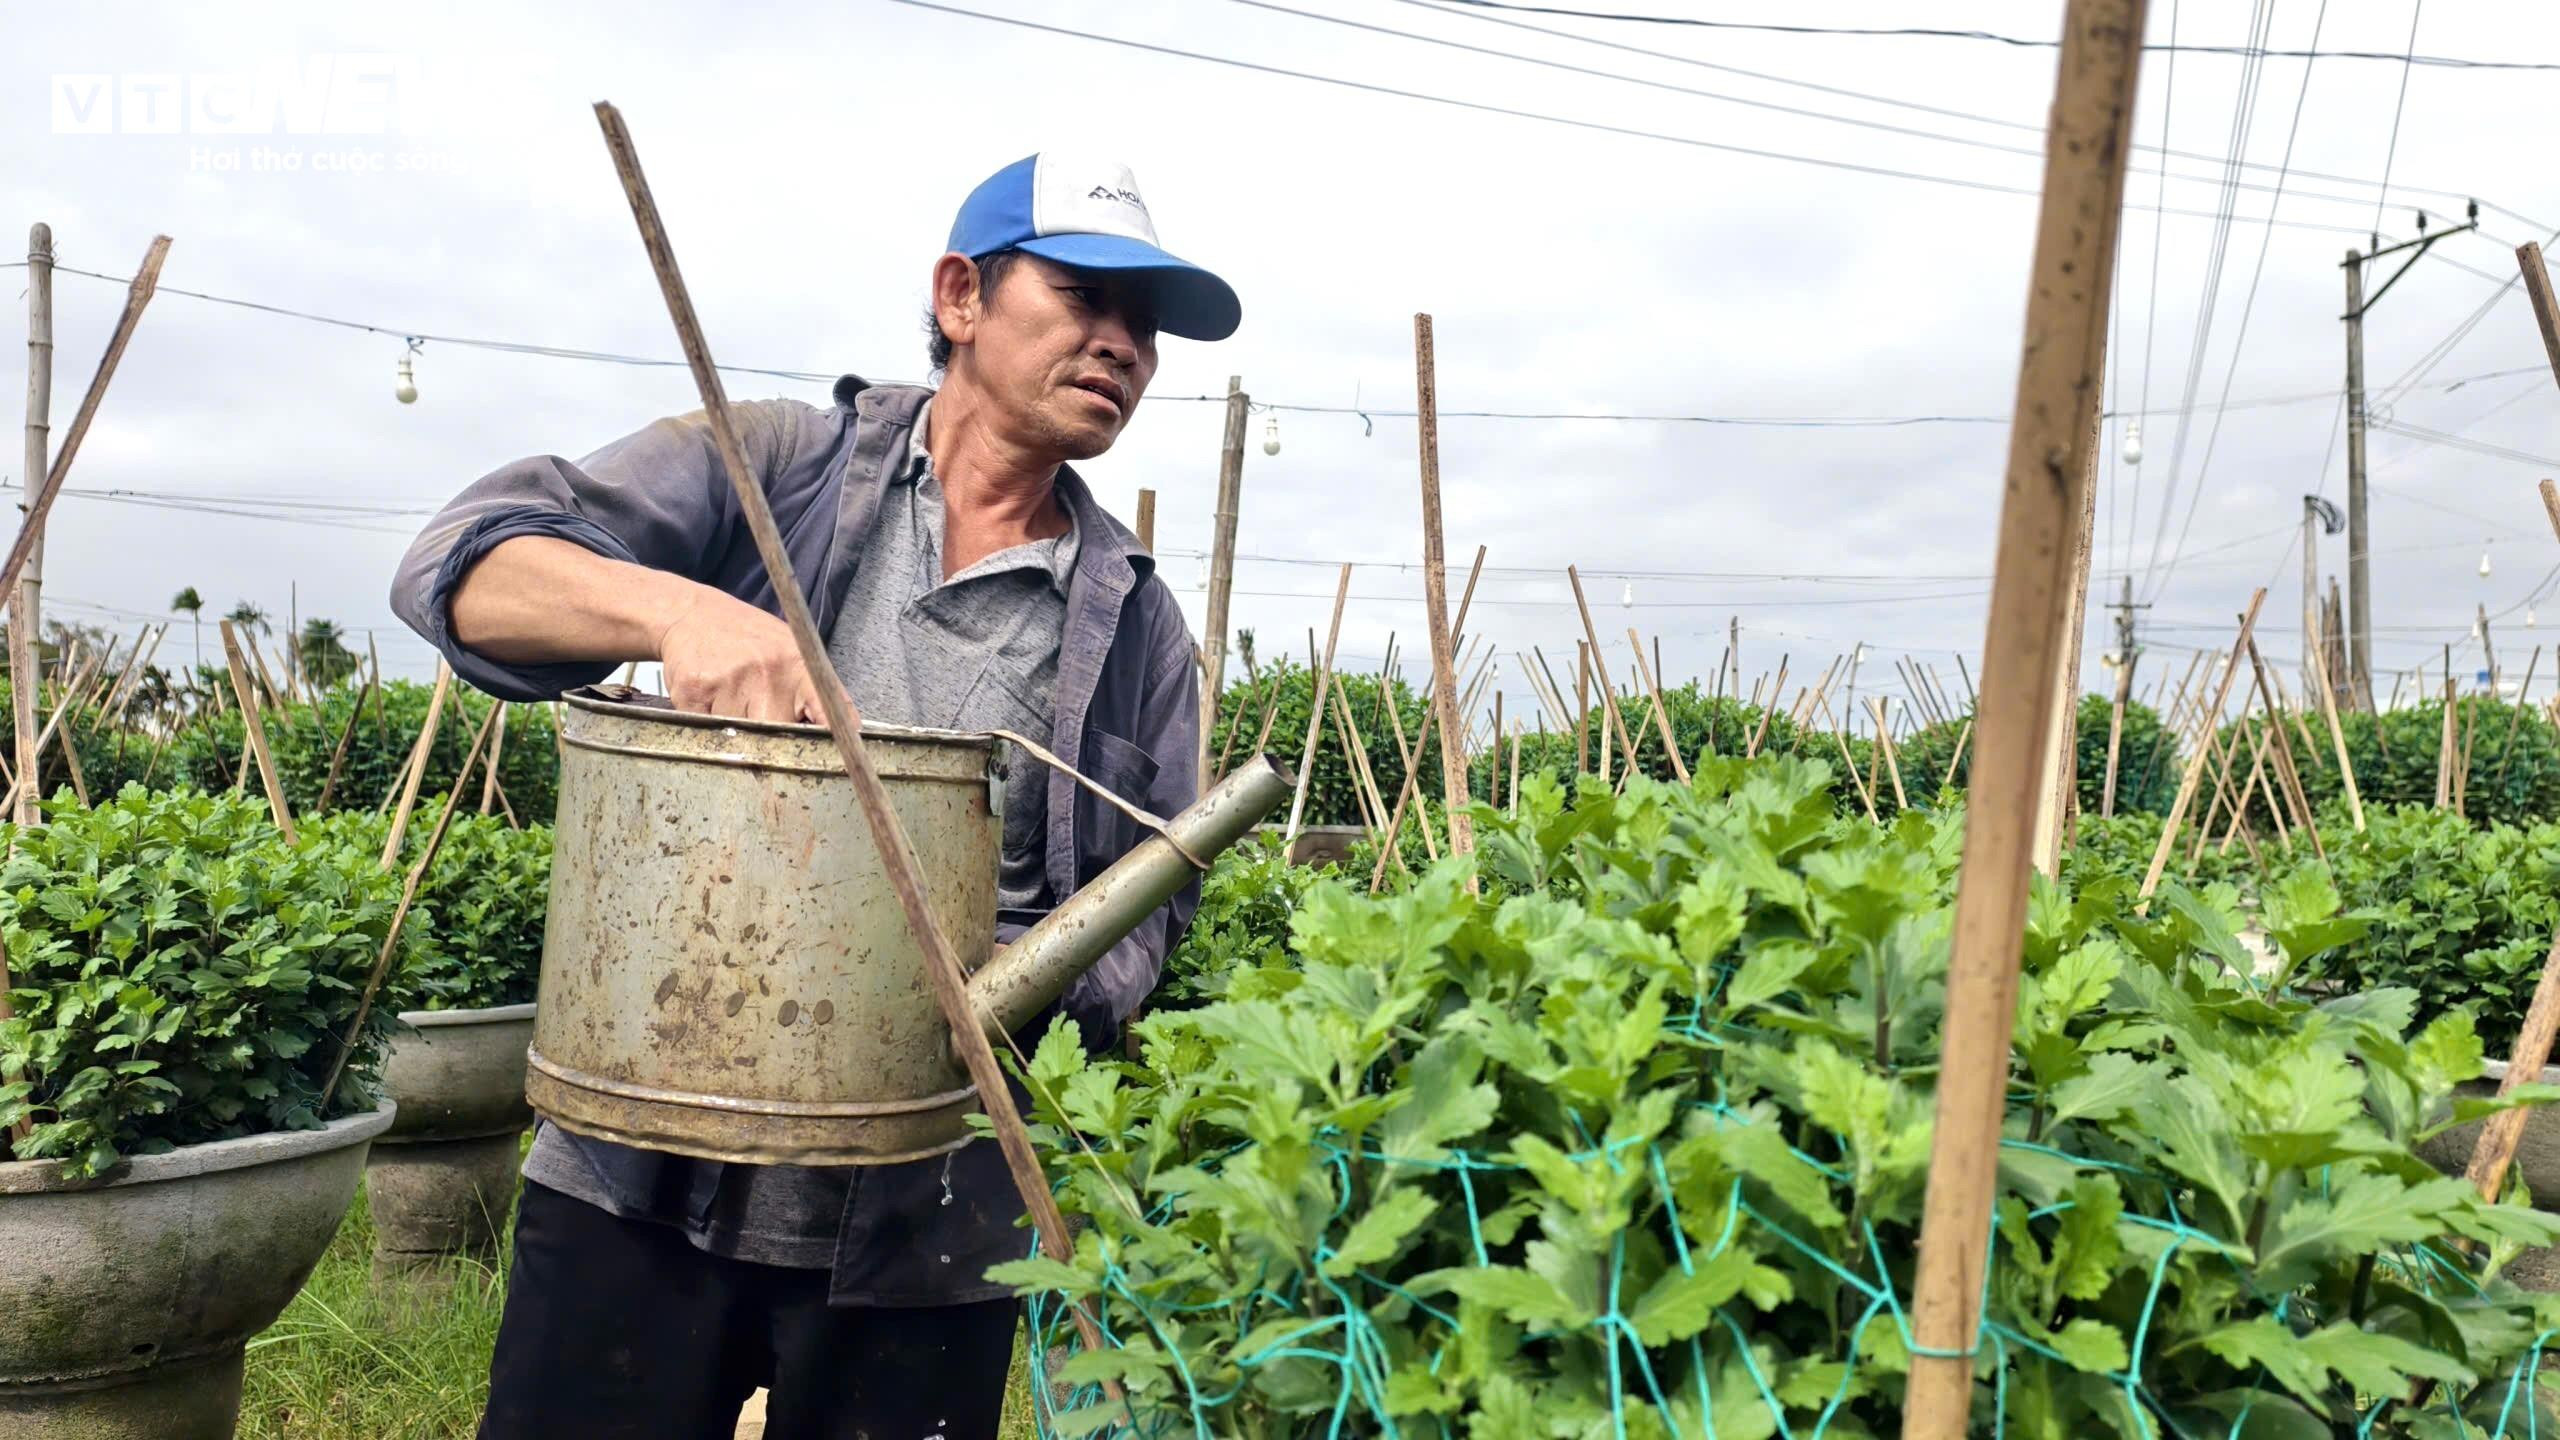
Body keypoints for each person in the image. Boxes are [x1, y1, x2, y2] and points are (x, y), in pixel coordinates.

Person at [388, 152, 1239, 1440]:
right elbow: (458, 570)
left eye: (1147, 325)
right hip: (643, 1164)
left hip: (931, 1210)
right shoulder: (779, 467)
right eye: (1083, 298)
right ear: (962, 296)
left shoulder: (1134, 623)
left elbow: (1146, 907)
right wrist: (679, 612)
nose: (1122, 344)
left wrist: (1008, 988)